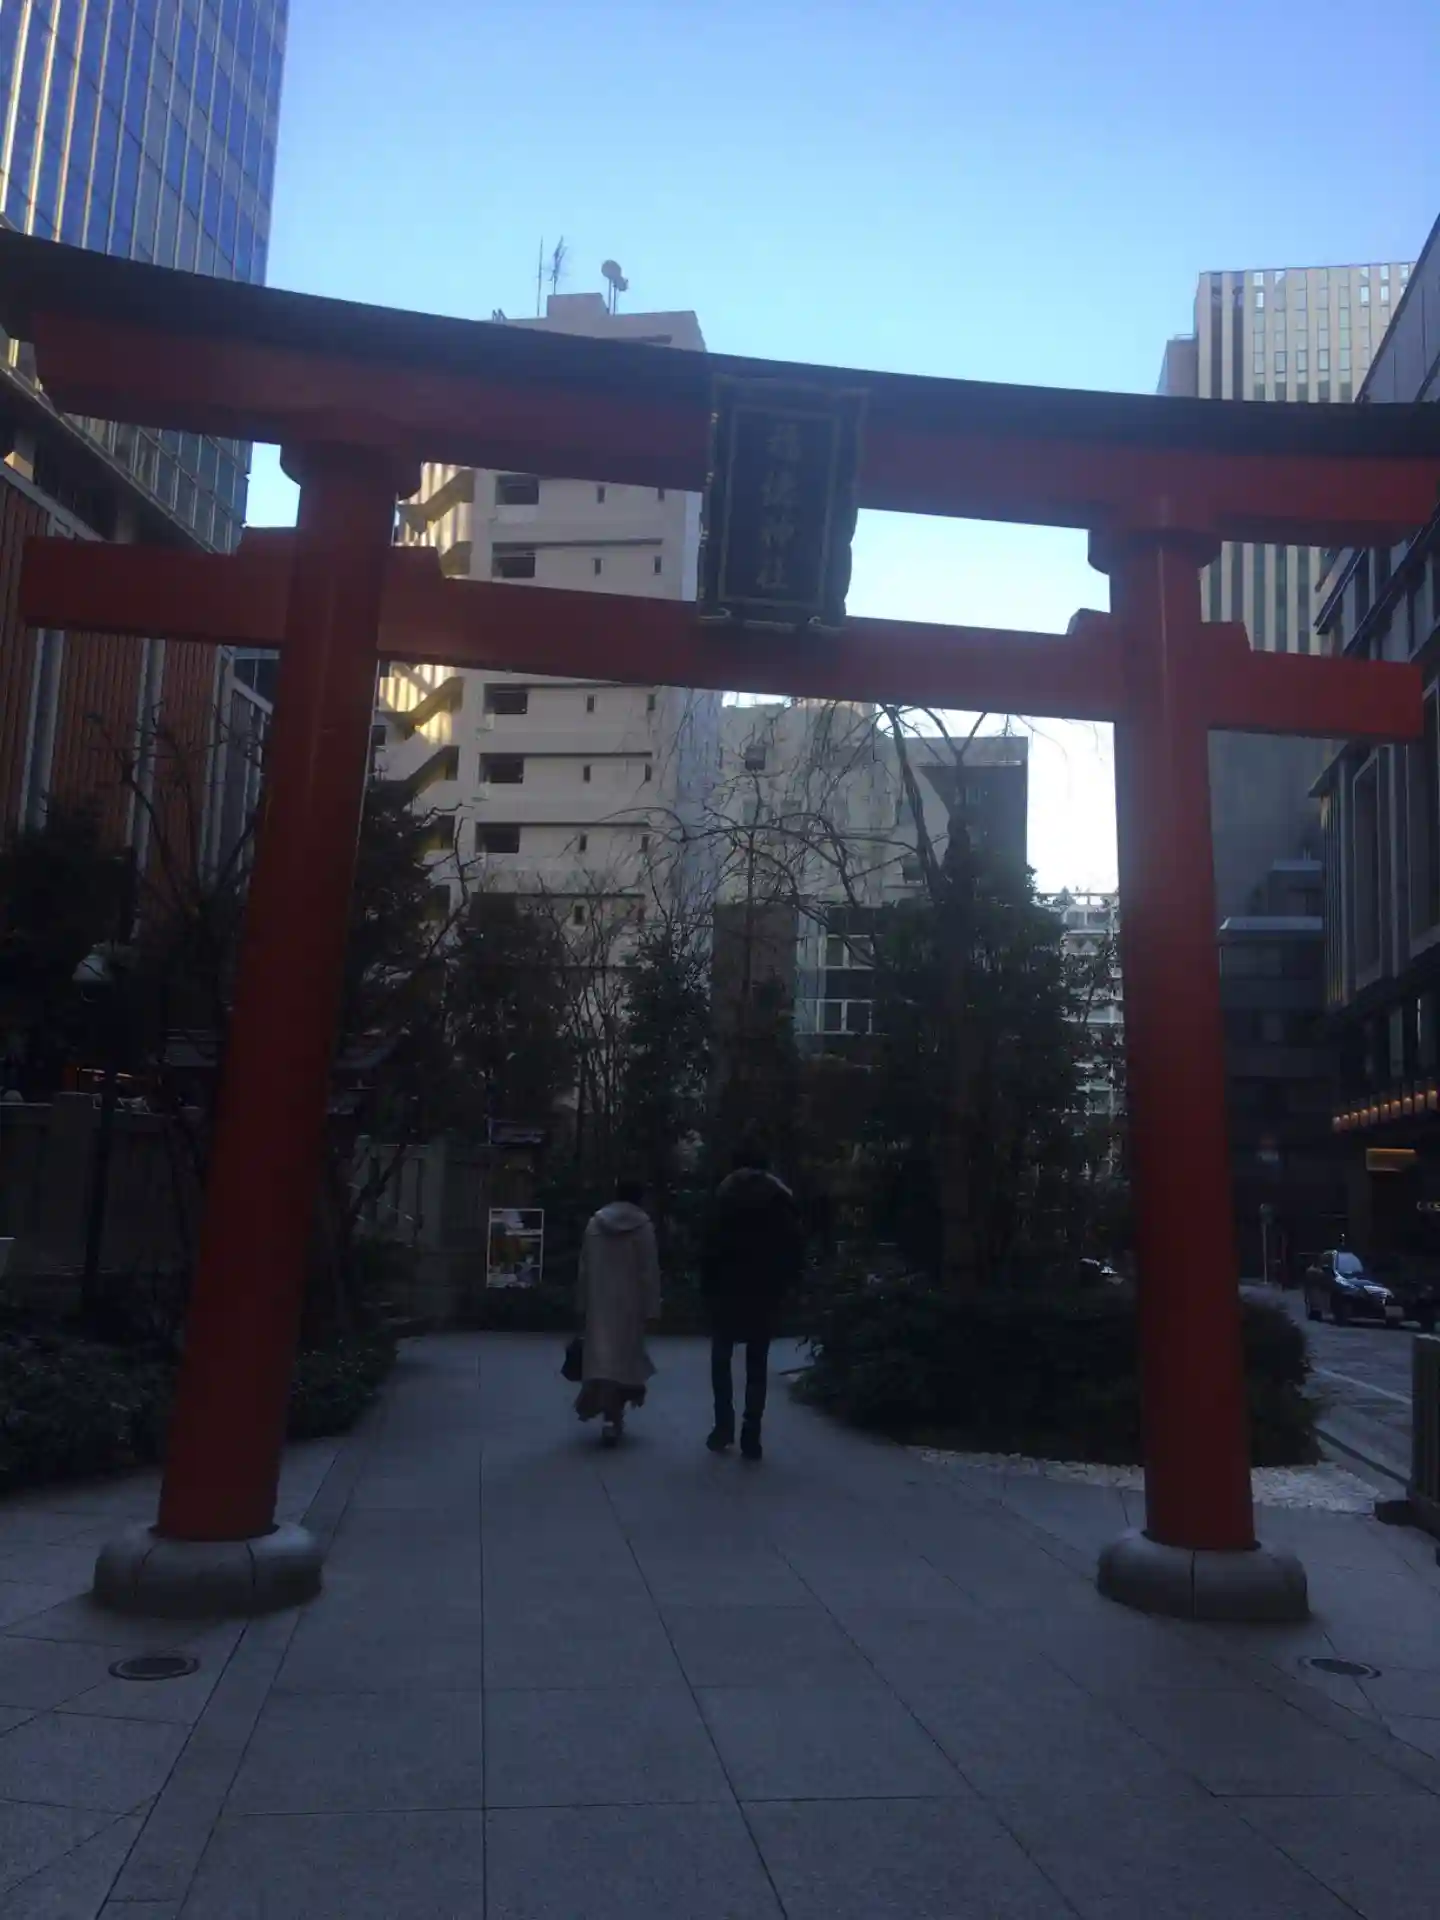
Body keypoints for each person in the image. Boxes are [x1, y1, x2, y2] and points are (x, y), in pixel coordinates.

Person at [701, 1144, 805, 1462]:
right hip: (765, 1288)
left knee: (721, 1358)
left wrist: (707, 1284)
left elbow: (707, 1244)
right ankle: (752, 1432)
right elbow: (794, 1246)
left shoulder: (723, 1196)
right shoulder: (780, 1200)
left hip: (726, 1288)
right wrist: (788, 1284)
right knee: (757, 1362)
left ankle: (723, 1426)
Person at [574, 1179, 662, 1447]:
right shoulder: (643, 1227)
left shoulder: (595, 1224)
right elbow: (649, 1270)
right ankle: (615, 1414)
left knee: (602, 1362)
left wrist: (581, 1301)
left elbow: (584, 1266)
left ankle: (606, 1412)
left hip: (599, 1304)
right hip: (630, 1305)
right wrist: (652, 1307)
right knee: (625, 1361)